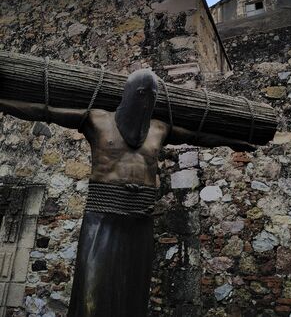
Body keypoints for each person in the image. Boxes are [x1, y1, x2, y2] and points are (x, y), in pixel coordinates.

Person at [0, 69, 254, 317]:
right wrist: (4, 103)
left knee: (133, 290)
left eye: (152, 95)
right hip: (103, 216)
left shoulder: (159, 129)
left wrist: (233, 141)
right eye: (143, 93)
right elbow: (47, 111)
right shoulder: (97, 119)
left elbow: (197, 135)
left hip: (140, 218)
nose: (146, 100)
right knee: (92, 289)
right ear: (131, 92)